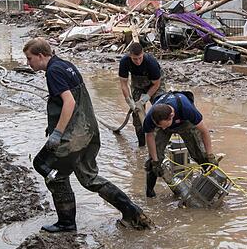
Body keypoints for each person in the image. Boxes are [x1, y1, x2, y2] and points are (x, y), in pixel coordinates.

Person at [23, 38, 152, 232]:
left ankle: (67, 222)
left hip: (74, 136)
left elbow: (69, 103)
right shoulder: (66, 65)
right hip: (89, 132)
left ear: (41, 56)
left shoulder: (53, 71)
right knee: (89, 178)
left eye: (29, 58)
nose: (28, 63)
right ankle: (133, 212)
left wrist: (57, 133)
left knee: (45, 166)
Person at [142, 92, 218, 197]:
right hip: (164, 121)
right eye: (160, 126)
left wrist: (210, 155)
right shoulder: (152, 117)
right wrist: (155, 161)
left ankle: (213, 188)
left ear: (172, 116)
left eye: (165, 125)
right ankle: (149, 193)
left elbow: (204, 131)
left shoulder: (187, 109)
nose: (164, 128)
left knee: (200, 155)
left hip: (185, 123)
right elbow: (149, 136)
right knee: (154, 161)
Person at [119, 42, 165, 147]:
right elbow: (123, 84)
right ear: (130, 55)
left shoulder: (151, 62)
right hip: (138, 84)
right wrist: (129, 100)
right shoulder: (124, 62)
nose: (138, 61)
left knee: (161, 109)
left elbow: (156, 84)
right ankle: (142, 144)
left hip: (155, 84)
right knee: (137, 113)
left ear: (143, 54)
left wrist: (147, 97)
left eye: (140, 58)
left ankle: (160, 141)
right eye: (135, 59)